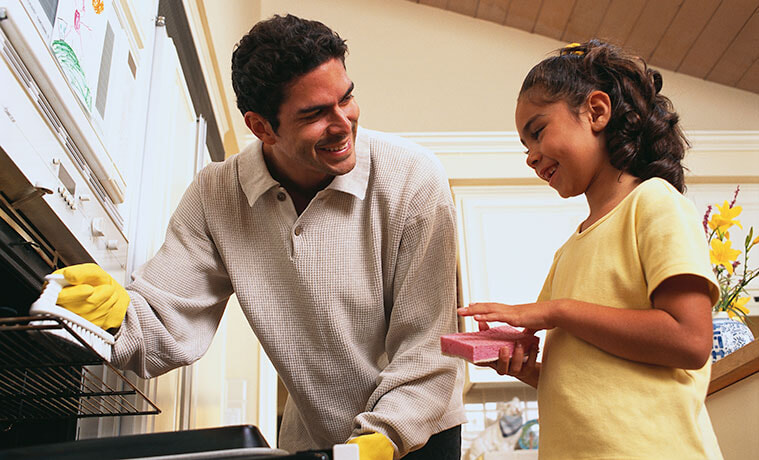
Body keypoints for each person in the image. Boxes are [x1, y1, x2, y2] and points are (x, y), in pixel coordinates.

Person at [52, 14, 465, 459]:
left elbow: (428, 346)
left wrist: (380, 441)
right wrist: (113, 314)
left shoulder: (414, 179)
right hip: (317, 439)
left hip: (416, 434)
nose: (343, 123)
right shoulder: (217, 194)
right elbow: (165, 319)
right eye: (314, 114)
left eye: (346, 98)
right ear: (261, 127)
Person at [458, 40, 723, 459]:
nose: (530, 157)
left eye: (538, 132)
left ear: (596, 112)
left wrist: (554, 310)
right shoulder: (568, 251)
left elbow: (690, 341)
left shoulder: (654, 202)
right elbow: (588, 378)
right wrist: (530, 372)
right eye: (524, 147)